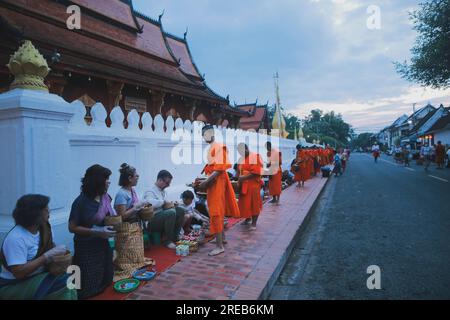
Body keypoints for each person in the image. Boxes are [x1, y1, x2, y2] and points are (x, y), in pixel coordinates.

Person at [0, 195, 77, 300]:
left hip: (40, 273)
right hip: (15, 283)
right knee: (62, 282)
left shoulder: (45, 228)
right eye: (45, 209)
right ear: (33, 214)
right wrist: (47, 256)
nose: (49, 210)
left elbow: (49, 245)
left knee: (74, 271)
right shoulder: (16, 238)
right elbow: (19, 273)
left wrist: (59, 251)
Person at [68, 164, 117, 299]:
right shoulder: (81, 202)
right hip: (87, 246)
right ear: (97, 181)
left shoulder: (105, 197)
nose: (109, 181)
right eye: (106, 178)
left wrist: (112, 224)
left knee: (106, 279)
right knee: (88, 287)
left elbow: (107, 216)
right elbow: (72, 227)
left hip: (102, 243)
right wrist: (96, 232)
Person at [198, 125, 240, 256]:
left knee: (216, 211)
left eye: (205, 134)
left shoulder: (219, 146)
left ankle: (219, 246)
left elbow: (219, 169)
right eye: (202, 135)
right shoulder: (212, 147)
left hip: (218, 183)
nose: (204, 137)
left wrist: (206, 181)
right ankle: (222, 239)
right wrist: (205, 179)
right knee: (215, 210)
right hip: (214, 183)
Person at [113, 164, 153, 281]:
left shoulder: (132, 191)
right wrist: (136, 208)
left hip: (135, 226)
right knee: (128, 259)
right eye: (136, 176)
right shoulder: (121, 194)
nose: (138, 177)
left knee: (136, 256)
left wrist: (141, 207)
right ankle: (126, 266)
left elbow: (135, 206)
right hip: (126, 228)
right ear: (130, 178)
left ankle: (135, 263)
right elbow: (122, 216)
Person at [143, 170, 185, 249]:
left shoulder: (163, 191)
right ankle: (167, 240)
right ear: (160, 180)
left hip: (162, 217)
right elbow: (150, 203)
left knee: (180, 210)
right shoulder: (149, 191)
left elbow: (166, 204)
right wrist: (164, 202)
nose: (168, 185)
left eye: (169, 183)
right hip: (152, 221)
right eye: (167, 183)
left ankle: (175, 237)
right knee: (171, 213)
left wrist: (172, 204)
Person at [236, 143, 263, 231]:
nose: (241, 154)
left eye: (243, 152)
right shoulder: (241, 159)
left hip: (253, 185)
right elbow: (239, 170)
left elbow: (256, 172)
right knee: (245, 203)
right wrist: (238, 178)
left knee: (254, 204)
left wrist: (243, 177)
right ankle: (248, 218)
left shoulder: (255, 156)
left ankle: (254, 223)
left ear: (247, 148)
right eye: (240, 153)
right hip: (244, 184)